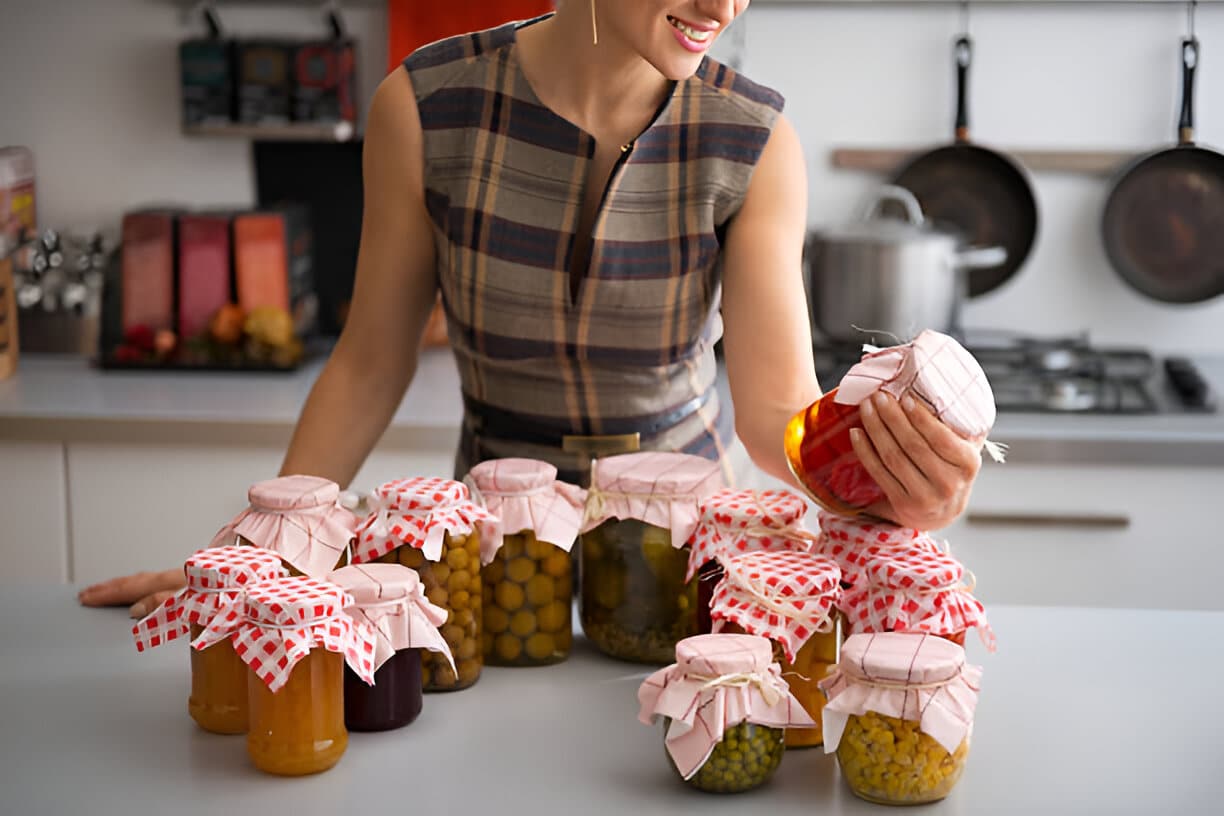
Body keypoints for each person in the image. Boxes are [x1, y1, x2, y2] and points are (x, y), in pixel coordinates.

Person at [79, 0, 986, 618]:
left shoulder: (753, 139)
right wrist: (270, 549)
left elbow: (776, 414)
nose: (727, 2)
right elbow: (368, 364)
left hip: (686, 563)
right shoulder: (428, 107)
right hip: (494, 557)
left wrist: (886, 485)